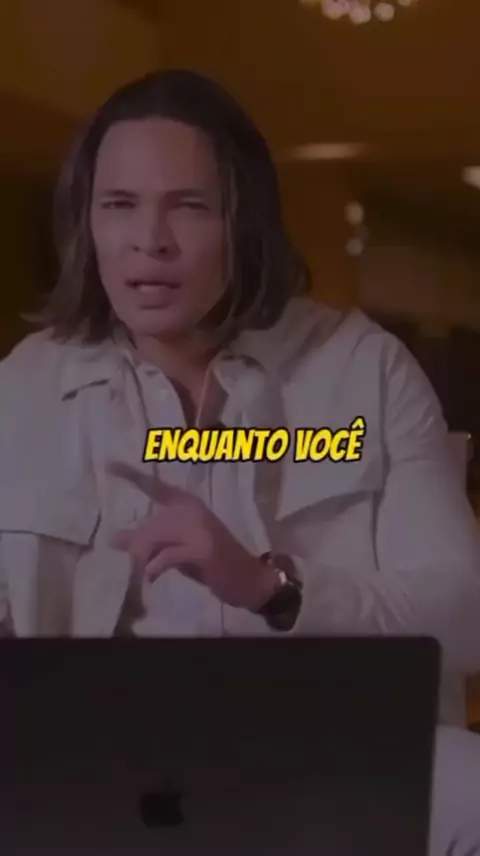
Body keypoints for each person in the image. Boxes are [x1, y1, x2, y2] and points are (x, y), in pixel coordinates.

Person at [0, 69, 479, 854]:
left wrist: (269, 586)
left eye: (188, 206)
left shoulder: (364, 367)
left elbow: (465, 616)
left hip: (331, 752)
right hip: (99, 766)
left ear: (244, 221)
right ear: (87, 221)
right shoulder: (24, 386)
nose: (149, 241)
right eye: (119, 205)